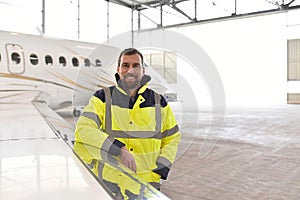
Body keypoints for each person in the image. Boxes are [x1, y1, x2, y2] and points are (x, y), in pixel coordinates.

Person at [74, 48, 181, 198]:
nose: (130, 70)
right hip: (111, 184)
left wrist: (161, 167)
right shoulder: (102, 98)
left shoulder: (159, 102)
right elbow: (83, 130)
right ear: (118, 70)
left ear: (143, 70)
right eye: (125, 65)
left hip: (147, 185)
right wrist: (118, 149)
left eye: (136, 66)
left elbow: (172, 137)